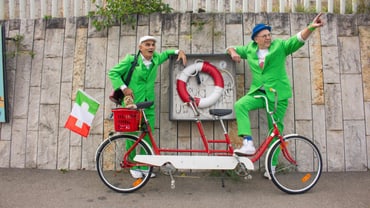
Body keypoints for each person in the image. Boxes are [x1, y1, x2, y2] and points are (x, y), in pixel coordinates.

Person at [227, 14, 324, 162]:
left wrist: (310, 27)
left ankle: (271, 166)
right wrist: (233, 52)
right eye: (264, 36)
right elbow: (230, 47)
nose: (268, 38)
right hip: (259, 93)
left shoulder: (279, 46)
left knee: (275, 130)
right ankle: (248, 143)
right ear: (256, 39)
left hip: (278, 95)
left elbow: (297, 40)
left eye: (269, 35)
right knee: (240, 105)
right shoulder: (250, 49)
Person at [108, 36, 187, 178]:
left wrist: (178, 51)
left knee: (147, 135)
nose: (151, 47)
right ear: (140, 47)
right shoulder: (131, 60)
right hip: (132, 103)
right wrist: (124, 88)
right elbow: (113, 72)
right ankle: (131, 164)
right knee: (131, 135)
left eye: (153, 45)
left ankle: (144, 167)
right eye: (147, 45)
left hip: (148, 104)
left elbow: (167, 53)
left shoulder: (156, 59)